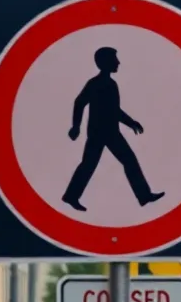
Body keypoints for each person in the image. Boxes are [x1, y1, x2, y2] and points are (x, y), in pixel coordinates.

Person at [62, 46, 165, 212]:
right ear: (105, 62)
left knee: (126, 161)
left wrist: (131, 122)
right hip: (98, 133)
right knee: (91, 165)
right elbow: (79, 102)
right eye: (114, 59)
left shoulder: (111, 84)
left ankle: (144, 196)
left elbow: (114, 110)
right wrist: (75, 126)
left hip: (111, 132)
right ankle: (71, 196)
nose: (118, 62)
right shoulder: (95, 83)